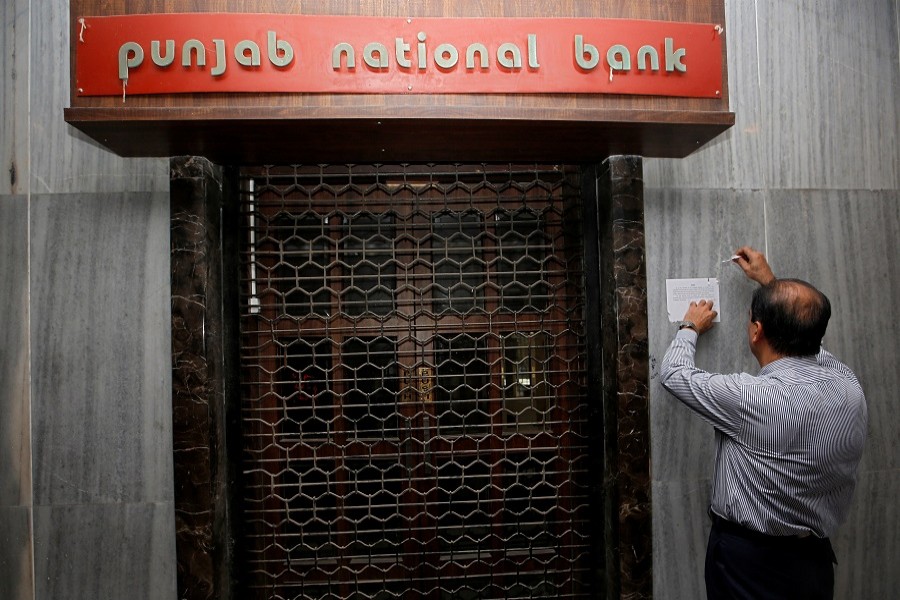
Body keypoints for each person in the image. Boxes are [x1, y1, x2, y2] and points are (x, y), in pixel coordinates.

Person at [660, 246, 868, 599]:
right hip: (813, 563)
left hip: (749, 564)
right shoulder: (848, 384)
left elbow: (674, 373)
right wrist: (770, 283)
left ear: (756, 331)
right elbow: (810, 341)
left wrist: (689, 326)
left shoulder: (753, 398)